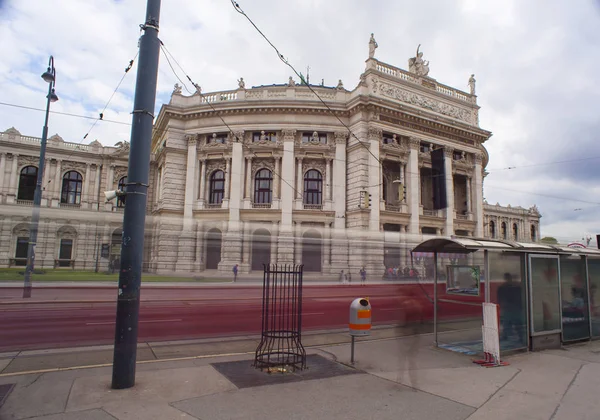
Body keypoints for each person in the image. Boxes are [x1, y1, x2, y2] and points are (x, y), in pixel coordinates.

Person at [497, 272, 523, 343]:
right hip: (511, 308)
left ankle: (520, 337)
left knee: (513, 323)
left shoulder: (504, 287)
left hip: (512, 308)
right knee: (509, 323)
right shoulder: (516, 287)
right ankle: (519, 337)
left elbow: (500, 298)